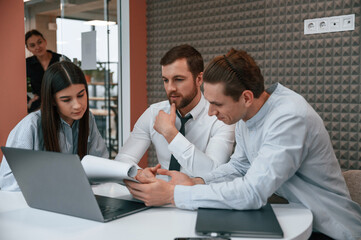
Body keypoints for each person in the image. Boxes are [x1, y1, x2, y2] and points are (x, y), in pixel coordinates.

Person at [125, 49, 361, 240]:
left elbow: (252, 192)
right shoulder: (245, 115)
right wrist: (197, 181)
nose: (210, 112)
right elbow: (238, 168)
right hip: (293, 218)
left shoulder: (289, 118)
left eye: (217, 104)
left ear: (246, 97)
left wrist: (172, 195)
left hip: (329, 230)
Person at [115, 44, 235, 178]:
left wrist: (171, 134)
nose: (170, 88)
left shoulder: (220, 118)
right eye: (165, 80)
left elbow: (214, 173)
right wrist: (139, 174)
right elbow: (122, 160)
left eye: (178, 79)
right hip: (159, 196)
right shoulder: (154, 113)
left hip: (199, 196)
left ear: (199, 79)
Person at [0, 61, 108, 191]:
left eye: (81, 95)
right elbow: (8, 183)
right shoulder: (31, 126)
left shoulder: (87, 118)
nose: (78, 105)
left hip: (77, 196)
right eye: (66, 100)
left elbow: (101, 165)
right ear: (52, 100)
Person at [25, 29, 68, 113]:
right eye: (32, 45)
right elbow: (25, 84)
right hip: (37, 108)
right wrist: (30, 97)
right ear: (28, 48)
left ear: (45, 41)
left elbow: (70, 81)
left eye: (39, 42)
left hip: (60, 105)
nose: (37, 47)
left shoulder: (61, 59)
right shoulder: (27, 64)